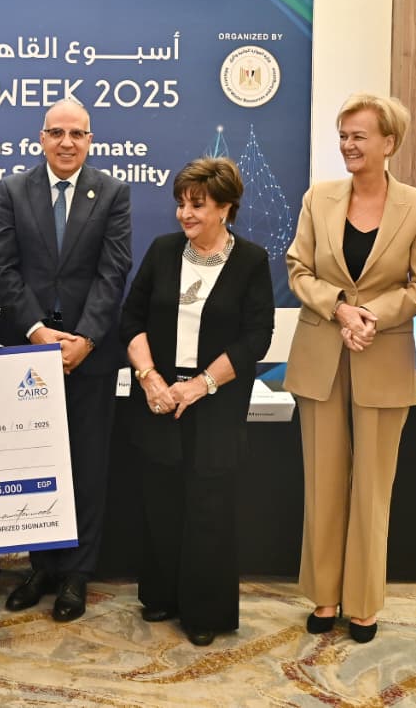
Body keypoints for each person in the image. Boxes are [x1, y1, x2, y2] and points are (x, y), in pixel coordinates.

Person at [283, 93, 416, 643]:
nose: (348, 145)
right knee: (323, 481)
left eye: (359, 136)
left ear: (389, 142)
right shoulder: (318, 198)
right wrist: (340, 309)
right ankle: (325, 596)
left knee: (373, 486)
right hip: (321, 354)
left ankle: (365, 602)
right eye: (344, 136)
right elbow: (298, 269)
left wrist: (372, 314)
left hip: (384, 354)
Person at [121, 157, 274, 647]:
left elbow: (256, 338)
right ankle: (161, 595)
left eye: (198, 205)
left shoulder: (251, 261)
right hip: (160, 400)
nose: (185, 214)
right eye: (181, 204)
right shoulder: (163, 251)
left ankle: (204, 610)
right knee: (161, 501)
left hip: (215, 404)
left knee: (209, 508)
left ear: (225, 208)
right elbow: (131, 319)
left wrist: (200, 385)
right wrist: (149, 379)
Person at [0, 97, 132, 622]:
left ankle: (77, 573)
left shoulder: (112, 192)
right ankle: (41, 566)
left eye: (77, 133)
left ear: (90, 140)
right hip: (27, 351)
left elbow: (114, 272)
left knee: (86, 466)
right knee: (33, 461)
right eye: (57, 133)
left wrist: (85, 339)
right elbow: (3, 267)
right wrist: (35, 330)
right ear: (42, 138)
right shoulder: (13, 190)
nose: (67, 142)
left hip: (89, 355)